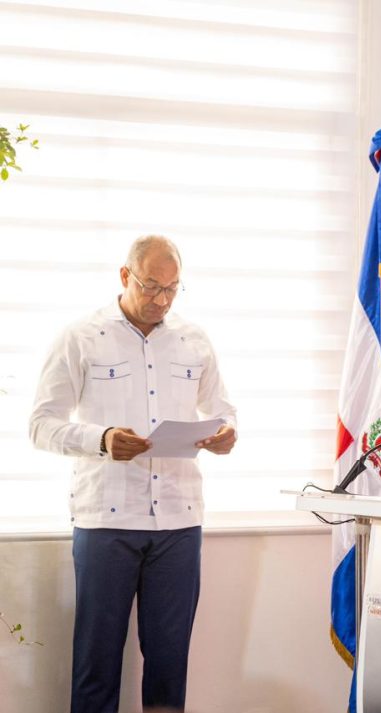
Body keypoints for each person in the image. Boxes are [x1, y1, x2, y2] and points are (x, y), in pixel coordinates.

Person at [29, 235, 237, 713]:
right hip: (107, 521)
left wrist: (226, 433)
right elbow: (41, 425)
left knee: (169, 664)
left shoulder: (194, 340)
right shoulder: (80, 337)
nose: (161, 300)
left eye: (172, 289)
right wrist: (100, 440)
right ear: (125, 276)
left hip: (179, 522)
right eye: (151, 286)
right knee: (97, 663)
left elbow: (223, 410)